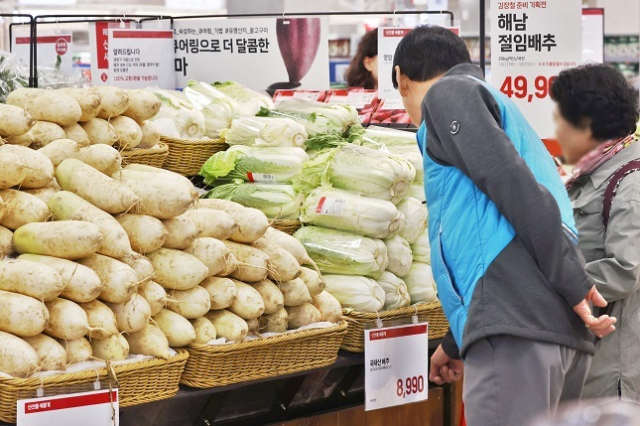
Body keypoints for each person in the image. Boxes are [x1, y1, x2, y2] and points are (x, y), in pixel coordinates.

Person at [391, 26, 617, 425]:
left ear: (401, 79)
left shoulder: (448, 93)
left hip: (517, 331)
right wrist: (457, 342)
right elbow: (495, 224)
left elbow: (510, 183)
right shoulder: (502, 107)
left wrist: (572, 279)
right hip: (550, 331)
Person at [551, 64, 640, 402]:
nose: (557, 130)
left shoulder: (630, 183)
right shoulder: (594, 171)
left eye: (562, 119)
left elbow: (624, 269)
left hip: (614, 367)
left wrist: (554, 285)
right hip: (588, 353)